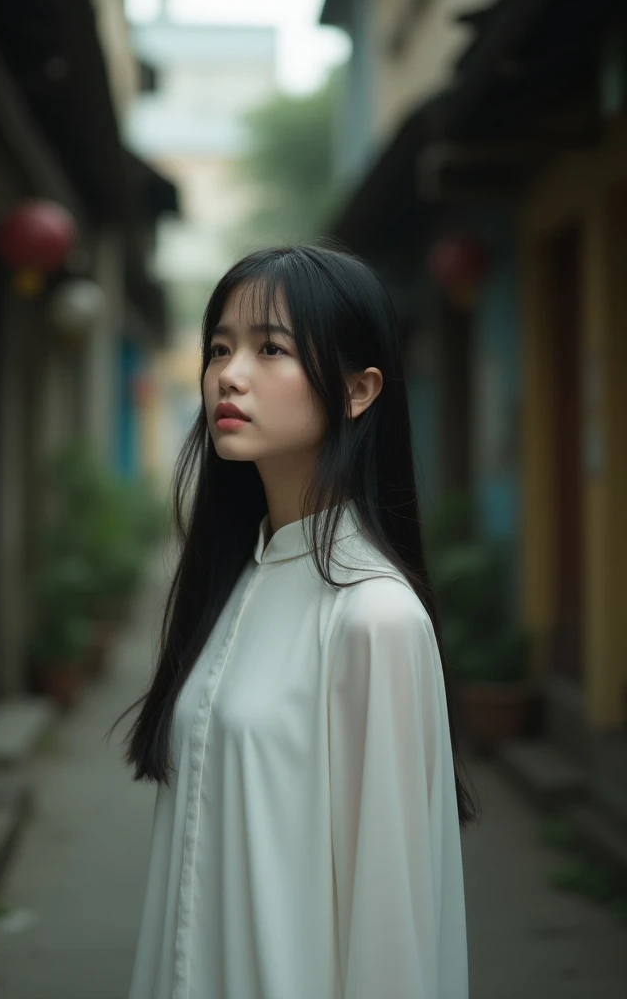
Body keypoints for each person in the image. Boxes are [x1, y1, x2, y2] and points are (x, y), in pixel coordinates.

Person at [116, 244, 477, 999]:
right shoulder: (240, 583)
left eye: (269, 348)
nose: (228, 374)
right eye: (219, 348)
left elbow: (391, 936)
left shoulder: (373, 618)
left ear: (358, 390)